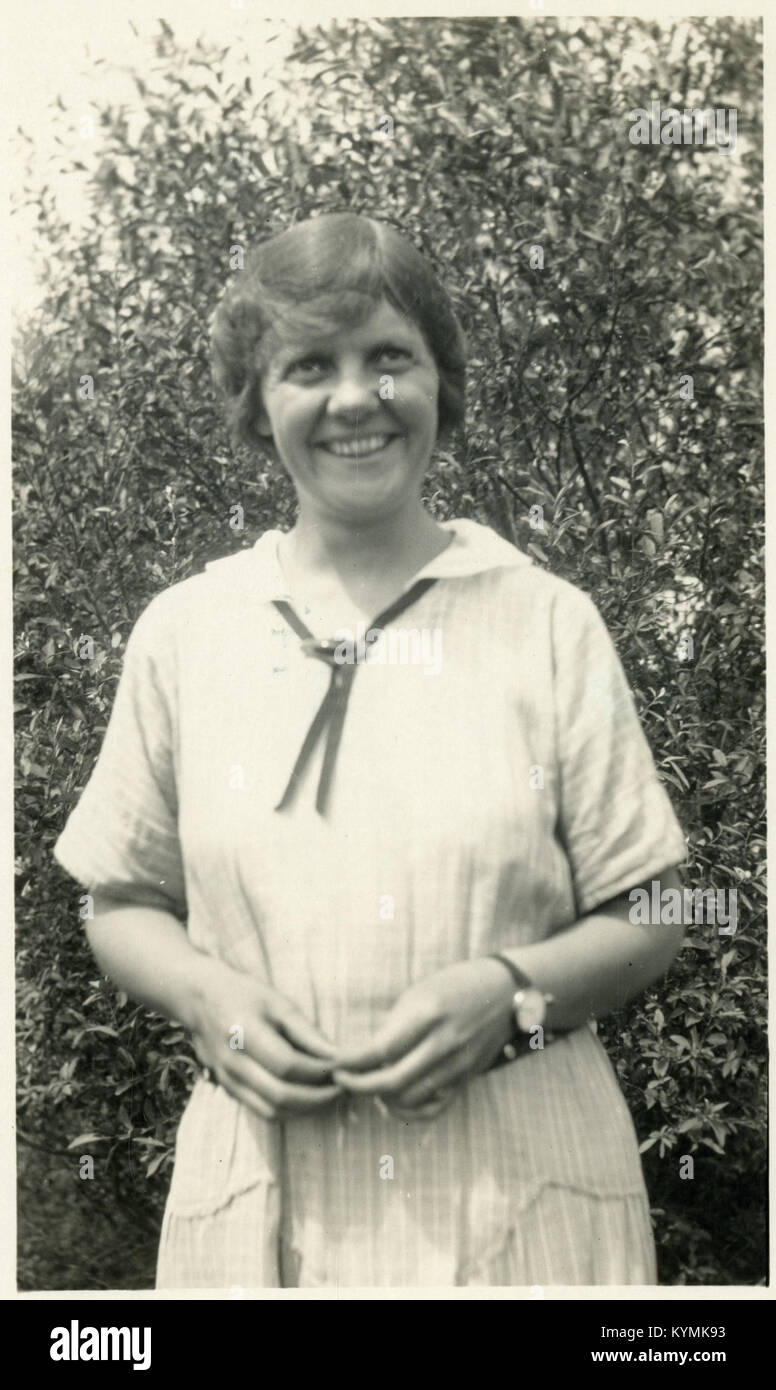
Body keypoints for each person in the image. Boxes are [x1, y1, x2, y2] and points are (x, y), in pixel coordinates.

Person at [53, 210, 687, 1288]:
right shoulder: (187, 631)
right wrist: (207, 1001)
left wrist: (512, 993)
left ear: (440, 382)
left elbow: (657, 912)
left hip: (522, 1198)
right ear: (260, 407)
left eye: (388, 356)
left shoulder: (543, 620)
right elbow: (119, 902)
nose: (354, 398)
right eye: (308, 365)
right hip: (265, 1196)